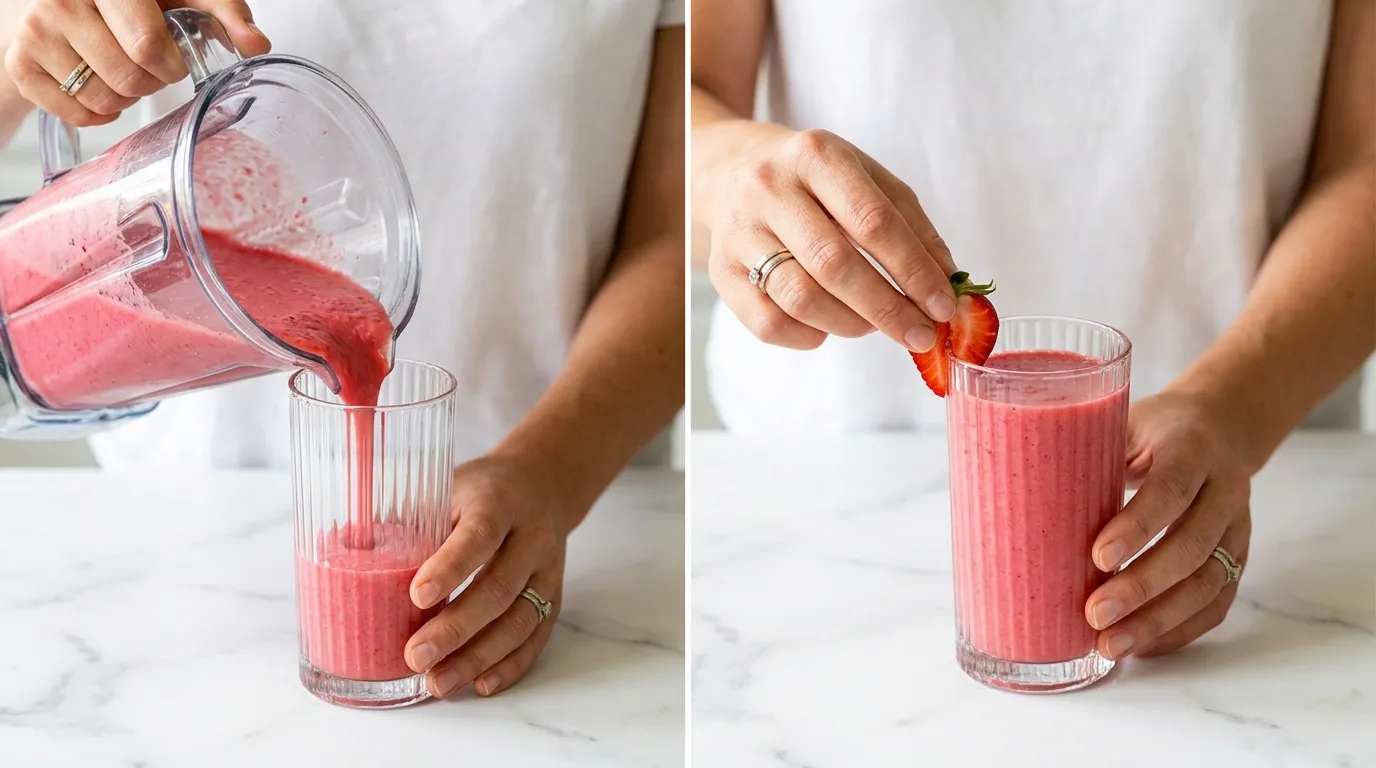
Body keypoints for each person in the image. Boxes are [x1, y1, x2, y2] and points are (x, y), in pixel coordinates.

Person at [0, 0, 685, 700]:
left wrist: (550, 472)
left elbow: (675, 233)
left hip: (549, 511)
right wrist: (15, 45)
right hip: (161, 541)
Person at [692, 0, 1373, 661]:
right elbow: (684, 106)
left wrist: (1233, 408)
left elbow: (1363, 161)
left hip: (1246, 477)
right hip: (807, 496)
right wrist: (726, 176)